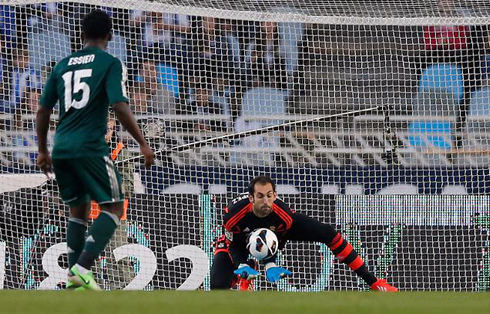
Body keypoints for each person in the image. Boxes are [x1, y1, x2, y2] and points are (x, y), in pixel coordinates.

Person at [36, 10, 155, 291]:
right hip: (90, 145)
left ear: (81, 34)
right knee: (114, 206)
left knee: (77, 212)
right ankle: (81, 267)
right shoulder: (110, 63)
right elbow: (120, 105)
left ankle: (75, 282)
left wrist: (42, 150)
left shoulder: (62, 65)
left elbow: (42, 110)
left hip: (61, 147)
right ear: (110, 36)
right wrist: (142, 142)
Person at [210, 176, 398, 292]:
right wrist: (243, 263)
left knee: (328, 233)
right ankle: (243, 277)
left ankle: (374, 283)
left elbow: (275, 243)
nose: (265, 201)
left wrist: (270, 265)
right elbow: (234, 244)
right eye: (260, 196)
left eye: (269, 195)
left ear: (275, 195)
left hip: (272, 233)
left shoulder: (283, 215)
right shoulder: (233, 215)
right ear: (251, 198)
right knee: (217, 286)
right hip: (236, 243)